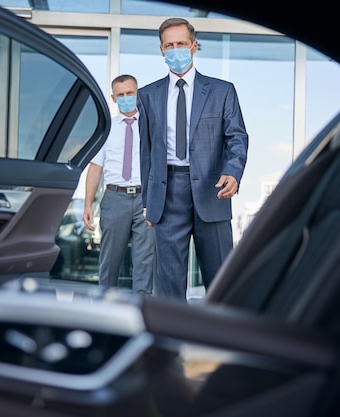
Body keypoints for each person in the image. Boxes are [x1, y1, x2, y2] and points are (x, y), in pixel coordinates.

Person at [137, 17, 249, 300]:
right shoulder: (147, 95)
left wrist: (233, 172)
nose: (176, 50)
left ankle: (224, 338)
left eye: (182, 44)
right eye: (169, 45)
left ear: (194, 46)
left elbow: (237, 137)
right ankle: (171, 341)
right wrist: (147, 202)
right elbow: (146, 151)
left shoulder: (222, 91)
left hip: (212, 190)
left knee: (221, 279)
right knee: (169, 285)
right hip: (167, 192)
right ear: (162, 51)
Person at [83, 74, 155, 294]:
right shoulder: (106, 129)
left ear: (137, 93)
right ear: (113, 98)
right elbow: (95, 168)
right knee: (110, 260)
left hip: (146, 198)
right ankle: (104, 311)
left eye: (130, 93)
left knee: (145, 262)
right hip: (115, 198)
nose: (126, 98)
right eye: (120, 95)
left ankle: (142, 313)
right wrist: (88, 204)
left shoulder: (151, 126)